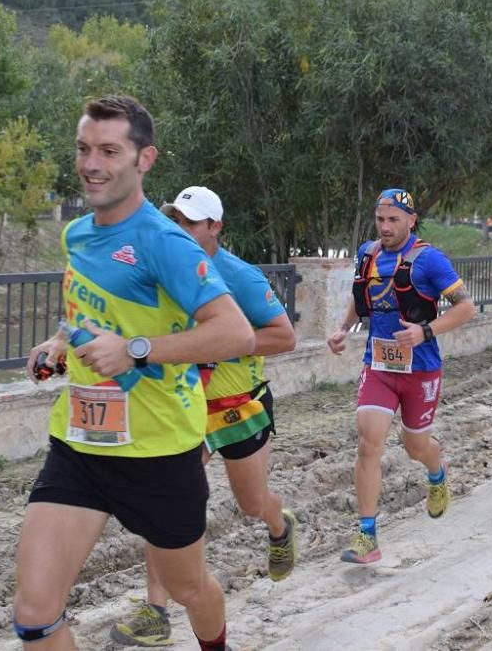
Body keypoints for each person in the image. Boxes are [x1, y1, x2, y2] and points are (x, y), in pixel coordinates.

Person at [14, 96, 255, 651]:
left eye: (108, 151)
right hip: (79, 443)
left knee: (188, 587)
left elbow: (235, 333)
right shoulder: (76, 234)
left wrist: (136, 350)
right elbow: (84, 313)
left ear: (144, 159)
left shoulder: (162, 240)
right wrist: (58, 341)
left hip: (158, 452)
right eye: (82, 149)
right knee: (34, 611)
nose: (91, 164)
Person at [111, 186, 298, 647]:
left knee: (251, 503)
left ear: (215, 227)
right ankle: (156, 610)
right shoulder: (162, 271)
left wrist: (227, 341)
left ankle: (280, 525)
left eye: (190, 222)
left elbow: (285, 337)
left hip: (238, 408)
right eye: (174, 219)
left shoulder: (241, 276)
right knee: (164, 506)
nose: (179, 229)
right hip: (182, 410)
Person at [326, 188, 475, 564]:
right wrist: (344, 328)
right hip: (378, 364)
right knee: (368, 442)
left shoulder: (430, 260)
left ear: (411, 220)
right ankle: (367, 536)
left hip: (421, 368)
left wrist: (425, 332)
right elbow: (361, 297)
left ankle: (437, 472)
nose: (386, 227)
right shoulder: (368, 254)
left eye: (394, 219)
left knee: (415, 446)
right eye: (380, 219)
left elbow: (467, 307)